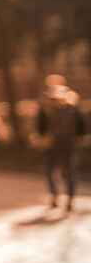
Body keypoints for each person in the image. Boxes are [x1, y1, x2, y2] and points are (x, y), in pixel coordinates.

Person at [35, 84, 86, 212]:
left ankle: (69, 199)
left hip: (67, 145)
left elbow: (82, 127)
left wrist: (79, 138)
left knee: (68, 173)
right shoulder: (45, 110)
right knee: (50, 172)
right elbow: (40, 128)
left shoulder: (72, 109)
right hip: (51, 145)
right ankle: (55, 196)